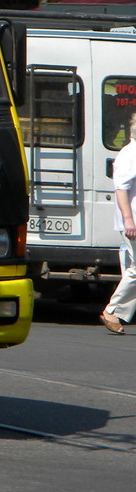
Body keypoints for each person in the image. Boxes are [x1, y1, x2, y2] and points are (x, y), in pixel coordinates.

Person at [101, 112, 136, 333]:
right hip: (134, 221)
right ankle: (112, 311)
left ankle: (117, 313)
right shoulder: (130, 154)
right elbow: (120, 188)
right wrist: (128, 219)